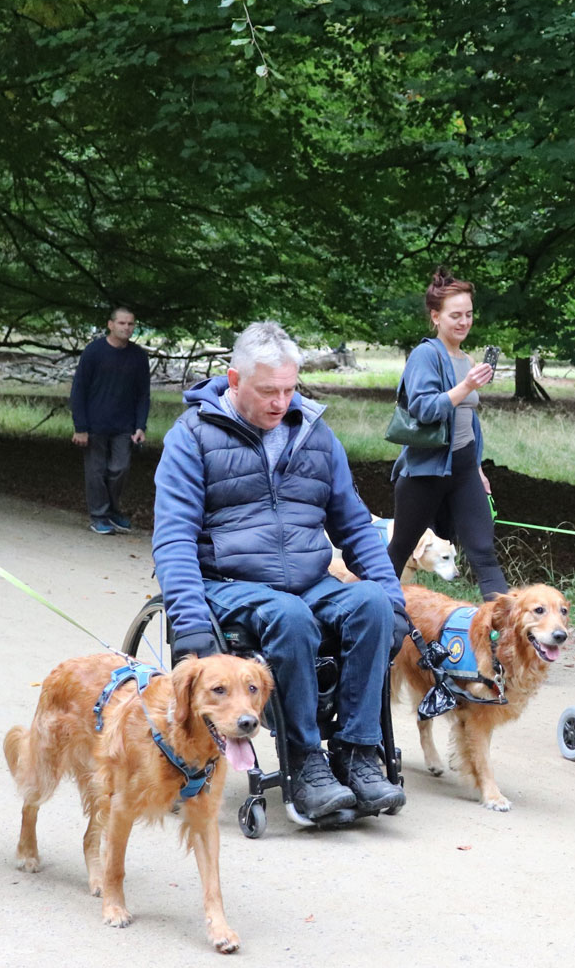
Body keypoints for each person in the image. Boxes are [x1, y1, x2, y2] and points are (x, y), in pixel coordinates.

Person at [152, 320, 408, 825]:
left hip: (309, 581)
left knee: (373, 605)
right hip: (227, 584)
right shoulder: (191, 439)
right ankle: (307, 763)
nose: (281, 402)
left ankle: (358, 754)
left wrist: (395, 597)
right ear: (234, 380)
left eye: (290, 389)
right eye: (269, 391)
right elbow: (174, 538)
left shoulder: (315, 435)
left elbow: (355, 526)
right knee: (290, 616)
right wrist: (190, 624)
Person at [388, 269, 508, 599]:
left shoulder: (466, 358)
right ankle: (373, 618)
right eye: (455, 315)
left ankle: (508, 644)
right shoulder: (426, 355)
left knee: (483, 552)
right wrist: (466, 385)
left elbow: (469, 419)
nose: (463, 322)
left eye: (468, 314)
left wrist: (479, 469)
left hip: (465, 469)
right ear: (435, 316)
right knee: (400, 551)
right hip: (426, 471)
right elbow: (424, 409)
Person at [69, 305, 150, 534]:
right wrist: (81, 427)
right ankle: (99, 516)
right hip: (94, 425)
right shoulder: (94, 352)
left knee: (120, 469)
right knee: (96, 472)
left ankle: (113, 510)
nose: (126, 327)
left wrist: (140, 425)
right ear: (111, 324)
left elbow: (143, 394)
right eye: (122, 323)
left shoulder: (138, 356)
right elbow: (79, 390)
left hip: (124, 426)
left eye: (130, 324)